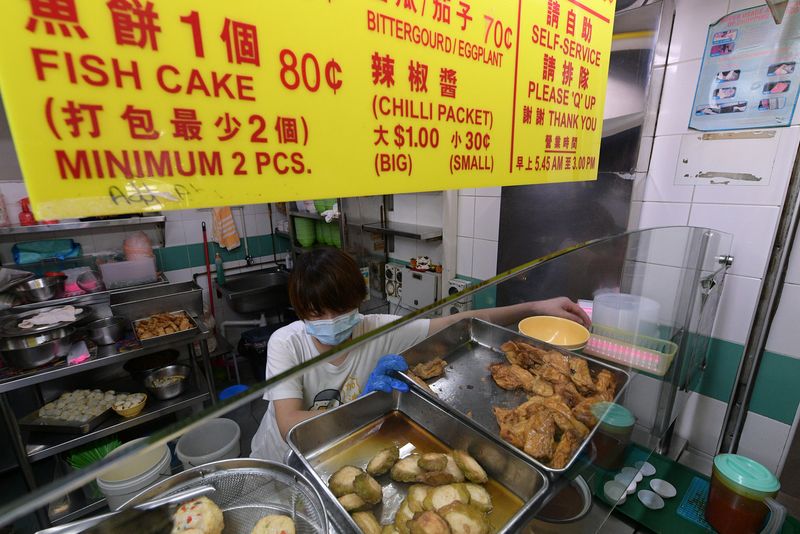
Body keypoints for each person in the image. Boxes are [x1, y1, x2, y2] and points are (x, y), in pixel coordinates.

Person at [250, 248, 590, 462]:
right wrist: (364, 404)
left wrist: (533, 307)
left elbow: (457, 322)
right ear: (300, 312)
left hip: (335, 452)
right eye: (316, 313)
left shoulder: (375, 329)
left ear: (359, 301)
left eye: (339, 310)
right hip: (282, 460)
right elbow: (288, 424)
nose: (330, 322)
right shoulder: (287, 343)